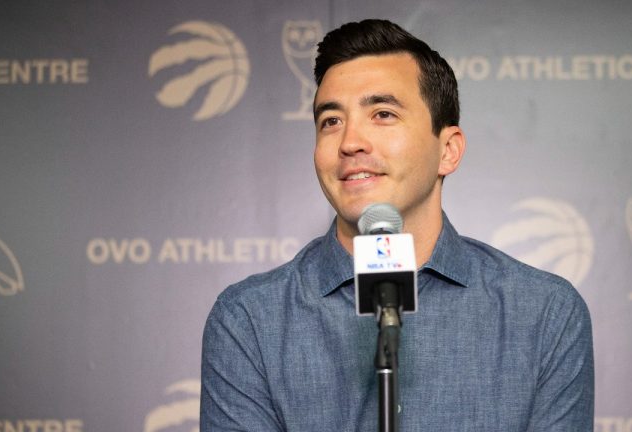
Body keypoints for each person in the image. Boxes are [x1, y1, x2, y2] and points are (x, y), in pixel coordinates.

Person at [200, 19, 593, 431]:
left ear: (449, 151)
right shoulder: (250, 320)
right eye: (331, 121)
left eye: (382, 114)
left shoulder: (545, 313)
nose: (350, 141)